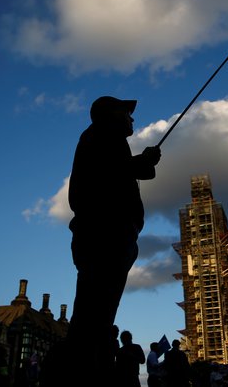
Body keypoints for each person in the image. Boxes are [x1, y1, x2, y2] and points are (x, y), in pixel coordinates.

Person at [66, 96, 162, 375]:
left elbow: (124, 172)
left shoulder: (108, 141)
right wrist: (142, 161)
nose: (132, 118)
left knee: (98, 314)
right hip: (104, 236)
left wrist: (144, 162)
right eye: (126, 113)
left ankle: (87, 368)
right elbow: (111, 173)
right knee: (94, 316)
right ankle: (82, 372)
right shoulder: (100, 135)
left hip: (113, 236)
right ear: (110, 115)